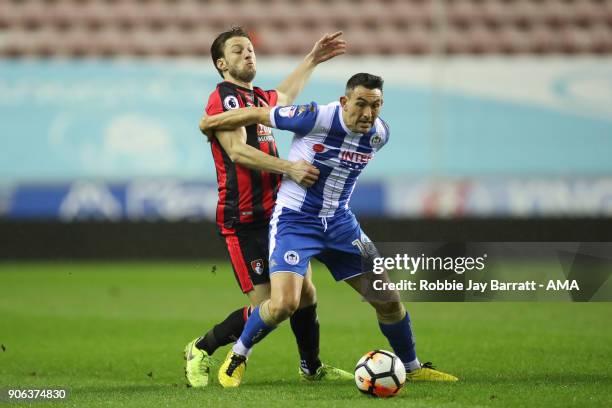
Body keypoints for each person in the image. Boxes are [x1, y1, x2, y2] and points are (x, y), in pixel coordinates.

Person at [201, 73, 459, 387]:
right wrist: (211, 122)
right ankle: (238, 355)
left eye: (375, 105)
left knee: (389, 300)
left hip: (341, 223)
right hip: (294, 221)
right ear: (344, 102)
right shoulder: (316, 116)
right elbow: (258, 113)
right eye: (360, 104)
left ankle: (413, 366)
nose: (367, 113)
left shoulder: (380, 134)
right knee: (283, 304)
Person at [184, 27, 352, 388]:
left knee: (304, 294)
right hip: (243, 221)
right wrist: (290, 168)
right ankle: (201, 347)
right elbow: (237, 152)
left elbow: (287, 93)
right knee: (272, 306)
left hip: (278, 217)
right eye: (238, 50)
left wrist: (313, 58)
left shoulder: (258, 97)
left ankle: (311, 367)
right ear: (221, 63)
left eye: (250, 49)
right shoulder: (224, 98)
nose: (248, 54)